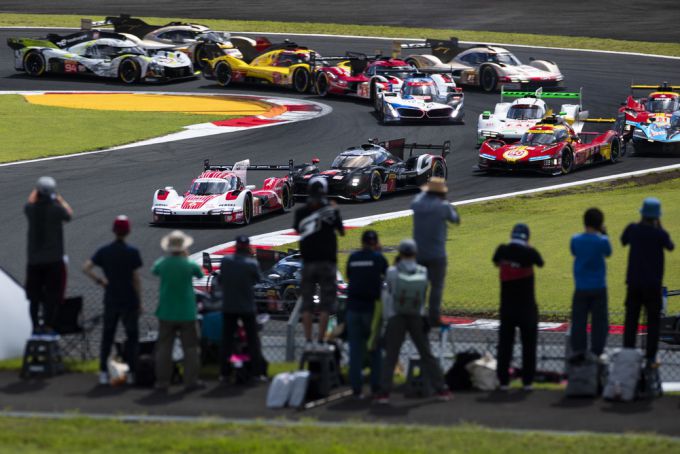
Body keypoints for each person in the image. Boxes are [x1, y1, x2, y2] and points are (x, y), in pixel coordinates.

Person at [376, 239, 451, 404]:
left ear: (400, 253)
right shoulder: (422, 271)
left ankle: (384, 393)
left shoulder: (392, 271)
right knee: (426, 353)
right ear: (415, 253)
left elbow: (387, 295)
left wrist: (387, 318)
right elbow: (423, 294)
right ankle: (442, 389)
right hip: (416, 315)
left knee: (391, 355)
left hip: (397, 315)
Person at [83, 216, 143, 385]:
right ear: (128, 231)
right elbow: (136, 278)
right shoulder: (132, 252)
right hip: (129, 298)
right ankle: (131, 373)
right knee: (132, 337)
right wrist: (139, 301)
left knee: (107, 336)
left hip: (111, 298)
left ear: (113, 231)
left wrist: (100, 281)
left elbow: (86, 268)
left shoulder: (104, 251)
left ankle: (103, 372)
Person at [621, 198, 674, 366]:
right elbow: (670, 246)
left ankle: (628, 352)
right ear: (657, 216)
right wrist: (660, 226)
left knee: (631, 320)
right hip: (652, 285)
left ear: (642, 213)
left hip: (634, 284)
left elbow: (623, 240)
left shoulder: (633, 229)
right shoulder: (660, 234)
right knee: (653, 322)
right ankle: (651, 356)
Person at [293, 177, 344, 350]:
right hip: (327, 263)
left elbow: (298, 229)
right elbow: (341, 232)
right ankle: (321, 341)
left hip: (308, 263)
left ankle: (308, 341)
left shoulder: (301, 212)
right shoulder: (331, 211)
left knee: (307, 304)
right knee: (326, 304)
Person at [493, 224, 544, 391]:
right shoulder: (530, 253)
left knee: (505, 345)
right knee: (529, 346)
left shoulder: (502, 250)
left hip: (507, 307)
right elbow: (540, 262)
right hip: (526, 307)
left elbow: (495, 260)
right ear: (527, 238)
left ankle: (503, 381)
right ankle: (527, 381)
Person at [151, 230, 205, 391]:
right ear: (183, 247)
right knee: (191, 348)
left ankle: (162, 382)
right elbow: (200, 274)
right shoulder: (189, 263)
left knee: (164, 348)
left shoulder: (163, 263)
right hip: (187, 312)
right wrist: (185, 257)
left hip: (166, 311)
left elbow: (154, 271)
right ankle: (191, 381)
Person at [24, 176, 73, 337]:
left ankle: (35, 327)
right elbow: (69, 214)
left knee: (34, 297)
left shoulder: (31, 209)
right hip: (54, 260)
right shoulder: (57, 209)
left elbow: (30, 202)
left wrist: (36, 191)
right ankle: (48, 326)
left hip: (34, 261)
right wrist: (59, 198)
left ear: (38, 192)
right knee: (53, 296)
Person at [345, 230, 388, 398]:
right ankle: (376, 386)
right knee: (375, 348)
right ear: (375, 243)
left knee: (355, 350)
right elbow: (387, 274)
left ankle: (356, 388)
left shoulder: (353, 258)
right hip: (371, 309)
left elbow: (349, 276)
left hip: (353, 308)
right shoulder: (378, 258)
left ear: (362, 242)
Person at [411, 177, 459, 326]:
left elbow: (414, 203)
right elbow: (455, 219)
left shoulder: (418, 202)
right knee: (436, 287)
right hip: (437, 254)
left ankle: (417, 316)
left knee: (420, 287)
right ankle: (434, 317)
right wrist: (448, 203)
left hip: (419, 253)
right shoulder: (443, 206)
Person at [218, 235, 266, 383]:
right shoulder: (251, 264)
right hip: (247, 306)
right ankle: (256, 373)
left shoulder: (226, 261)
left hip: (229, 305)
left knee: (227, 341)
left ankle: (225, 373)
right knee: (253, 341)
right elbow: (260, 280)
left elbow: (220, 280)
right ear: (247, 247)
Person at [570, 208, 612, 358]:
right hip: (599, 288)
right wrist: (604, 234)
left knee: (579, 322)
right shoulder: (602, 241)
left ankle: (579, 352)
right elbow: (608, 252)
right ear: (600, 224)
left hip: (581, 287)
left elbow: (574, 252)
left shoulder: (576, 239)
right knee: (599, 323)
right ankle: (597, 352)